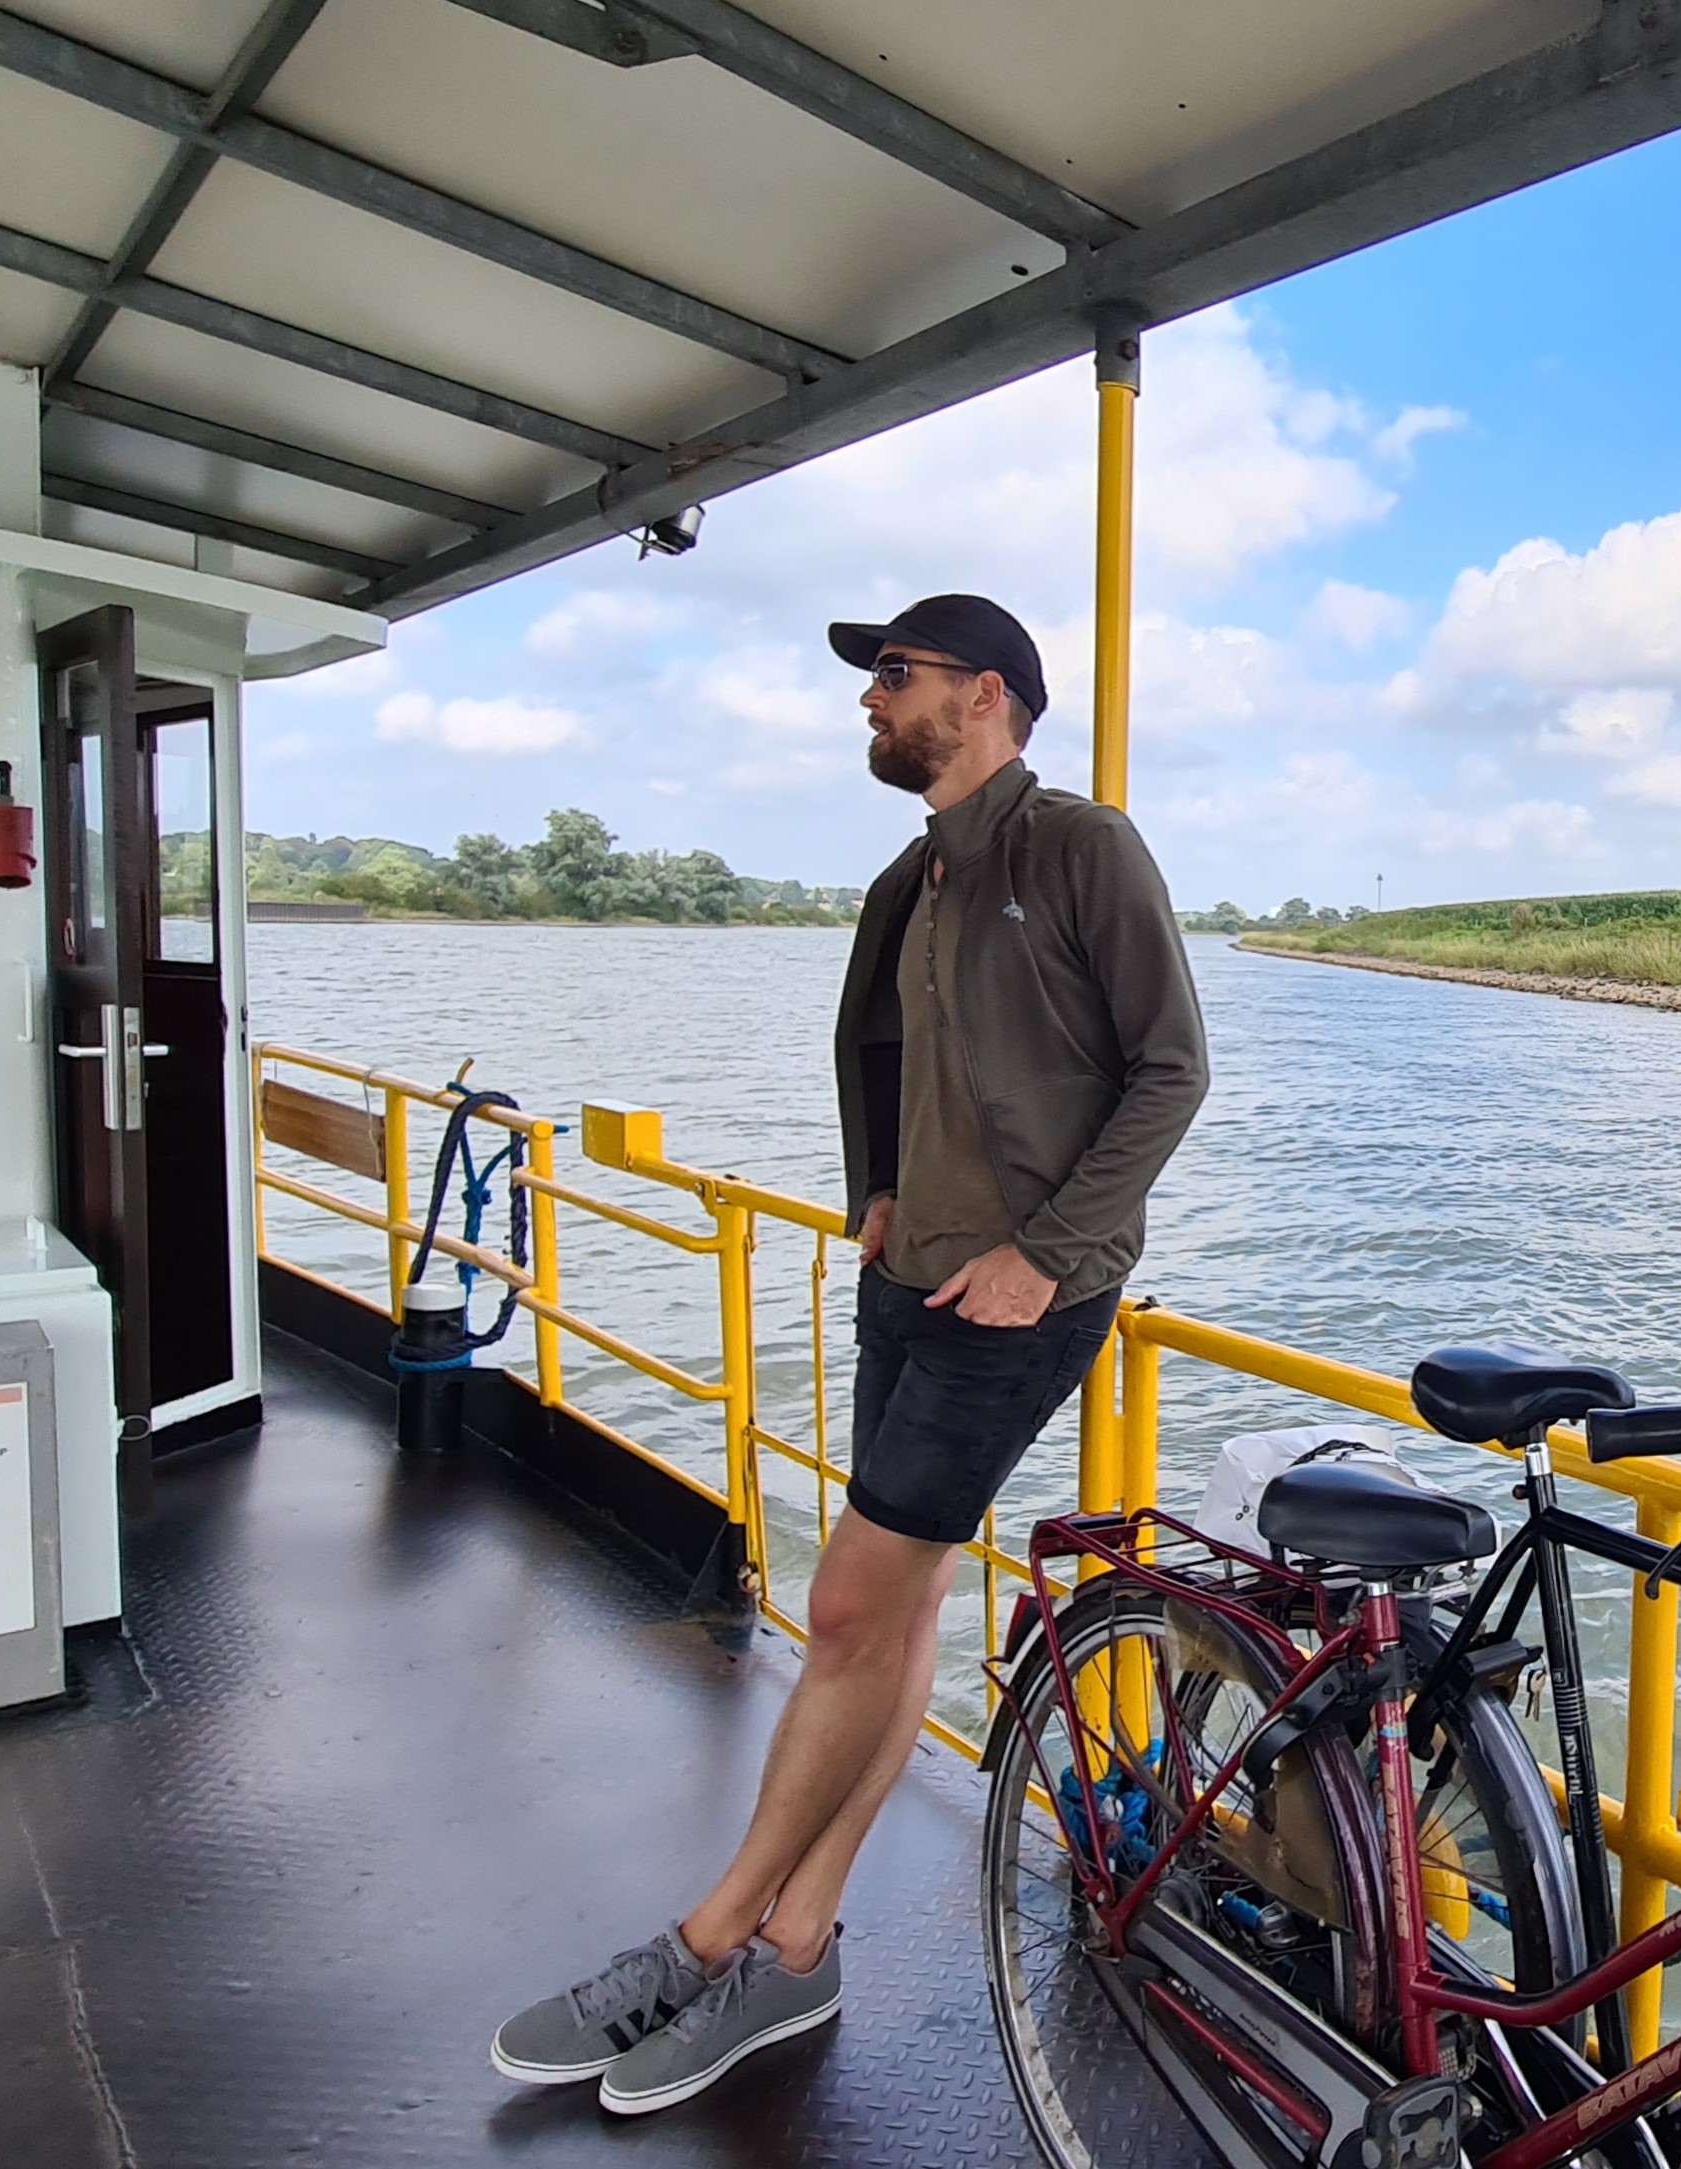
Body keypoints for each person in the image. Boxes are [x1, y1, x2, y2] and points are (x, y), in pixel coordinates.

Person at [489, 593, 1209, 2114]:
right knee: (888, 1617)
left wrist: (1044, 1253)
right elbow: (878, 1048)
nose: (868, 703)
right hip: (912, 1276)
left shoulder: (1079, 849)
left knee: (842, 1605)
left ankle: (708, 1937)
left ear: (991, 698)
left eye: (895, 677)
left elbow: (1171, 1067)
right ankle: (801, 1945)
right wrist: (873, 1189)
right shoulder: (915, 874)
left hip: (1019, 1301)